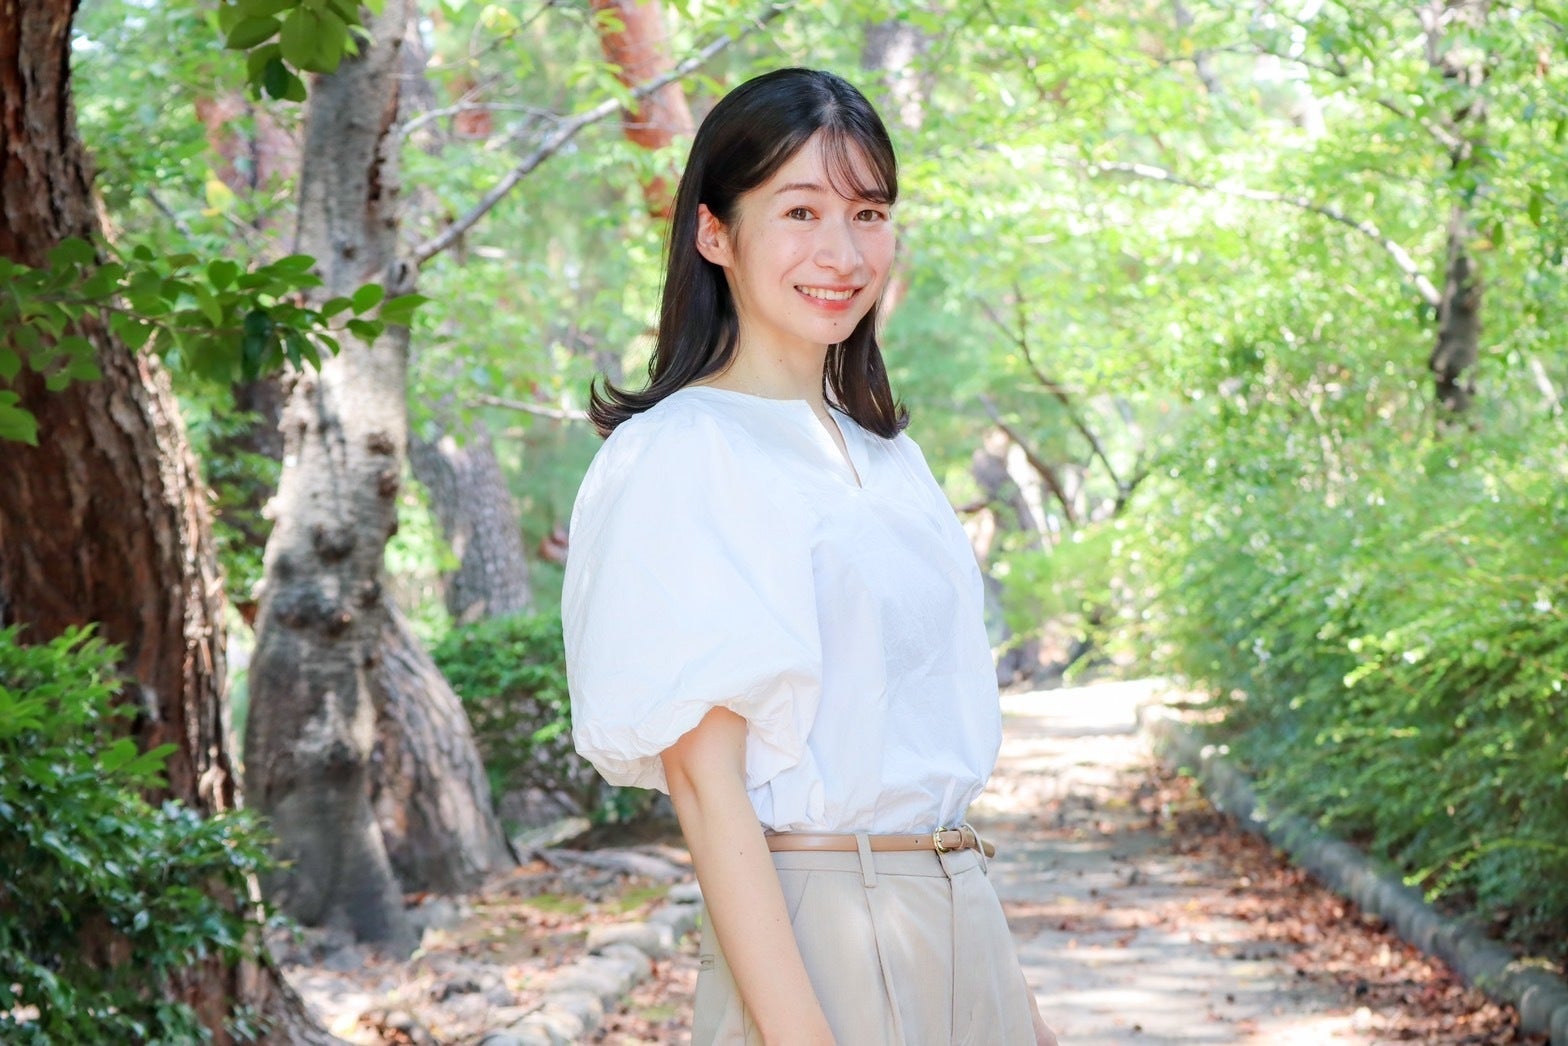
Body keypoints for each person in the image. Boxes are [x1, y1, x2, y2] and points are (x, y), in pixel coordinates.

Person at [562, 67, 1058, 1046]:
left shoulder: (891, 459)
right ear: (714, 233)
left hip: (961, 910)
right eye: (800, 211)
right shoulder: (681, 451)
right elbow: (706, 787)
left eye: (867, 213)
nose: (842, 252)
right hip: (818, 937)